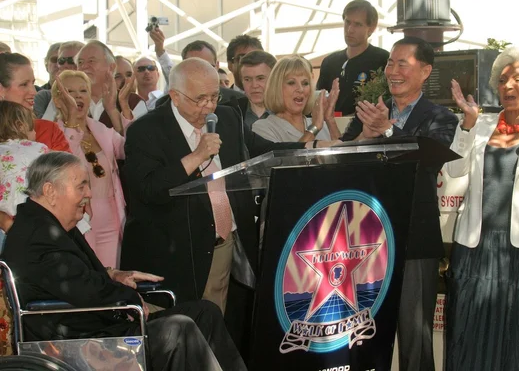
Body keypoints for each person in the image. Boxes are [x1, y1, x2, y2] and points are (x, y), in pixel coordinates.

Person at [121, 58, 322, 352]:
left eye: (214, 96)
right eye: (199, 98)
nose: (208, 106)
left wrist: (309, 146)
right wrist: (196, 156)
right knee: (182, 338)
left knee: (218, 329)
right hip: (175, 252)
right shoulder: (146, 130)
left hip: (224, 242)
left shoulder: (226, 118)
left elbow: (259, 150)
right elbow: (147, 190)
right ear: (175, 96)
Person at [1, 151, 246, 371]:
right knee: (179, 329)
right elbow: (81, 288)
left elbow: (70, 276)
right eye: (81, 186)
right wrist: (127, 296)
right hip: (81, 339)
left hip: (100, 325)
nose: (89, 193)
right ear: (50, 191)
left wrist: (111, 274)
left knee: (204, 312)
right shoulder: (38, 235)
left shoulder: (49, 224)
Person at [444, 46, 519, 370]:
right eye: (502, 80)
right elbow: (454, 171)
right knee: (470, 338)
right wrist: (467, 126)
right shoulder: (481, 124)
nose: (508, 86)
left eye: (518, 78)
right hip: (476, 249)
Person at [341, 37, 457, 371]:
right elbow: (344, 158)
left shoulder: (441, 117)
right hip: (364, 239)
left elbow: (428, 159)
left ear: (425, 71)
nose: (393, 71)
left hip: (413, 240)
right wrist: (365, 134)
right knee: (361, 333)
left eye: (402, 63)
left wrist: (387, 133)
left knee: (415, 336)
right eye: (390, 63)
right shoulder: (370, 110)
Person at [50, 70, 127, 269]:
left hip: (112, 219)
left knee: (113, 281)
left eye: (83, 90)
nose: (77, 96)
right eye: (70, 91)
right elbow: (62, 166)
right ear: (58, 101)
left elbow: (132, 150)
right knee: (88, 280)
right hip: (76, 222)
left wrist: (114, 109)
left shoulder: (101, 129)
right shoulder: (53, 134)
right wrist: (72, 124)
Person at [316, 0, 389, 116]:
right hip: (328, 128)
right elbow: (318, 101)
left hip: (367, 129)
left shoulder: (383, 60)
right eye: (347, 22)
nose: (350, 30)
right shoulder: (329, 62)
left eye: (358, 24)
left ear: (371, 28)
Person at [253, 55, 341, 142]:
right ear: (276, 87)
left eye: (305, 83)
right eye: (291, 83)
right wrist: (314, 128)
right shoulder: (263, 128)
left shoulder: (323, 125)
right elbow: (290, 156)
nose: (300, 89)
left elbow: (345, 156)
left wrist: (330, 120)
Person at [0, 52, 69, 152]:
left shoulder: (48, 130)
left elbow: (70, 166)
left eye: (33, 83)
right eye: (24, 84)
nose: (34, 92)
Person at [0, 101, 48, 243]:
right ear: (20, 126)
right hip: (34, 220)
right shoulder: (40, 149)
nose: (35, 133)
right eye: (32, 128)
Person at [150, 36, 245, 106]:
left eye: (207, 67)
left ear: (217, 66)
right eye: (194, 68)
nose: (201, 74)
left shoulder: (238, 101)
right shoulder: (166, 104)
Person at [76, 40, 144, 130]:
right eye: (80, 62)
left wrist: (114, 110)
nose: (84, 66)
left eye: (91, 61)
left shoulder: (134, 102)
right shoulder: (65, 100)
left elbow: (138, 141)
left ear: (111, 67)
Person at [35, 41, 84, 119]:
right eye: (61, 60)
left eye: (72, 60)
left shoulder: (99, 99)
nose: (65, 65)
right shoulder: (45, 97)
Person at [235, 50, 277, 127]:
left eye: (260, 78)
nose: (254, 85)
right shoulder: (232, 113)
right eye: (247, 79)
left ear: (275, 79)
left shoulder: (290, 113)